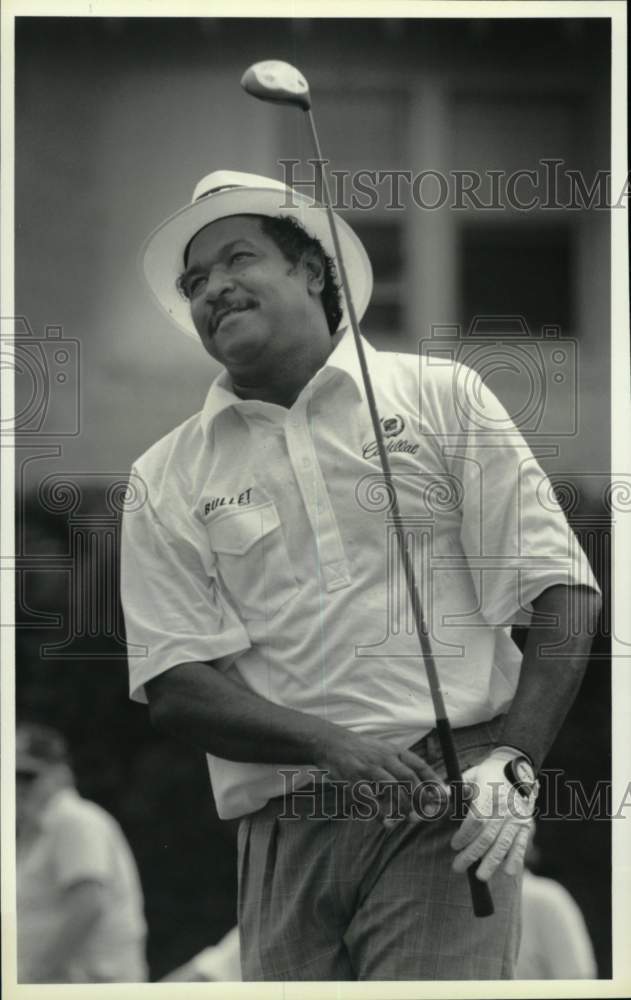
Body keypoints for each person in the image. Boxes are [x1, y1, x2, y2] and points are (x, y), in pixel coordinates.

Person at [121, 169, 601, 981]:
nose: (212, 289)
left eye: (237, 259)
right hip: (283, 823)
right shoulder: (163, 473)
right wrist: (328, 745)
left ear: (312, 269)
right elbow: (175, 683)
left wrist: (513, 763)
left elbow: (562, 591)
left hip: (445, 798)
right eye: (194, 282)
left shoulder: (440, 395)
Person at [16, 721, 148, 983]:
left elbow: (88, 905)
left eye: (27, 776)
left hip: (89, 986)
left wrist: (33, 974)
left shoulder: (73, 820)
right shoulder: (40, 831)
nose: (16, 786)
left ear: (61, 774)